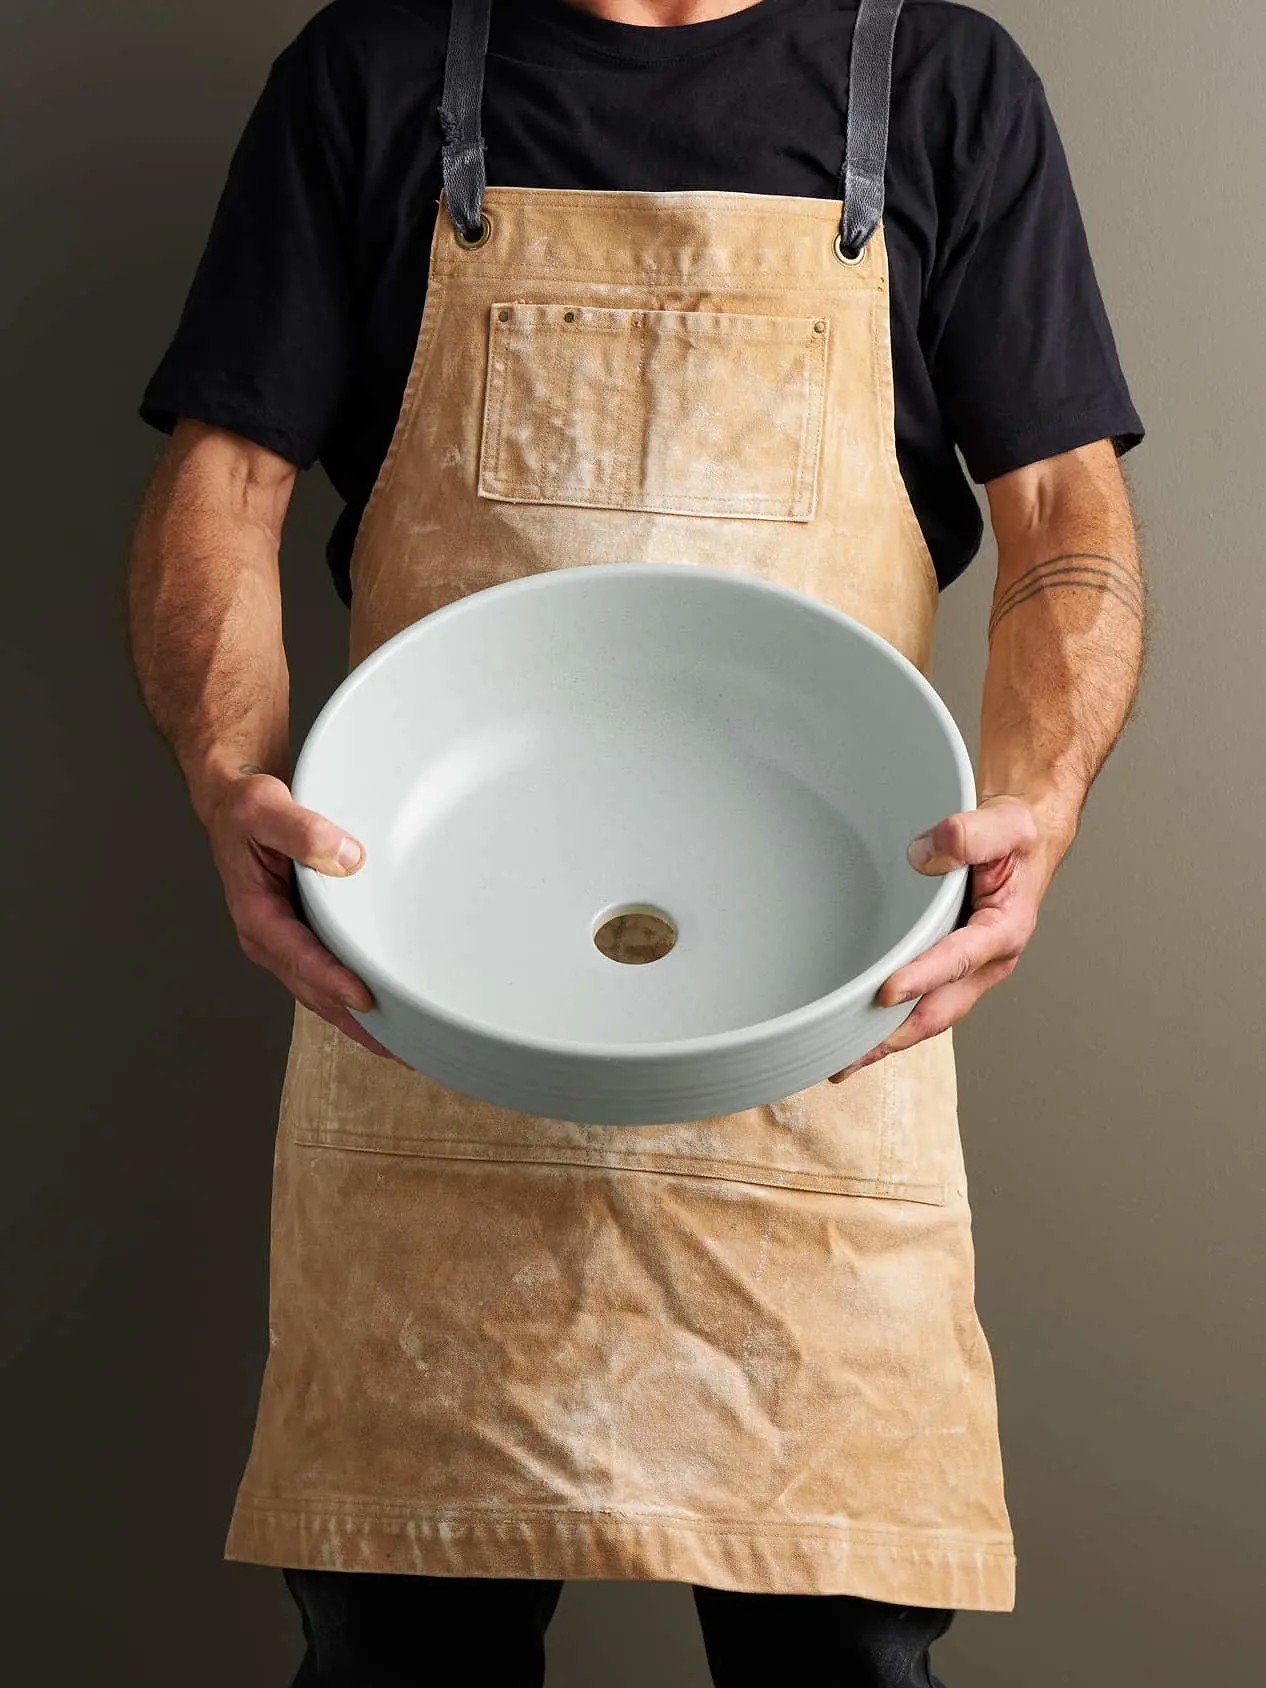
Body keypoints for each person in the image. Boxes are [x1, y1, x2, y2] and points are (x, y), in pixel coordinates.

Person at [127, 2, 1146, 1683]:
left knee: (845, 1664)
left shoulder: (942, 84)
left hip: (822, 1041)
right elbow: (222, 483)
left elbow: (1062, 517)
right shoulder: (372, 73)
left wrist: (1035, 810)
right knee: (401, 1656)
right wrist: (225, 772)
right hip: (422, 1020)